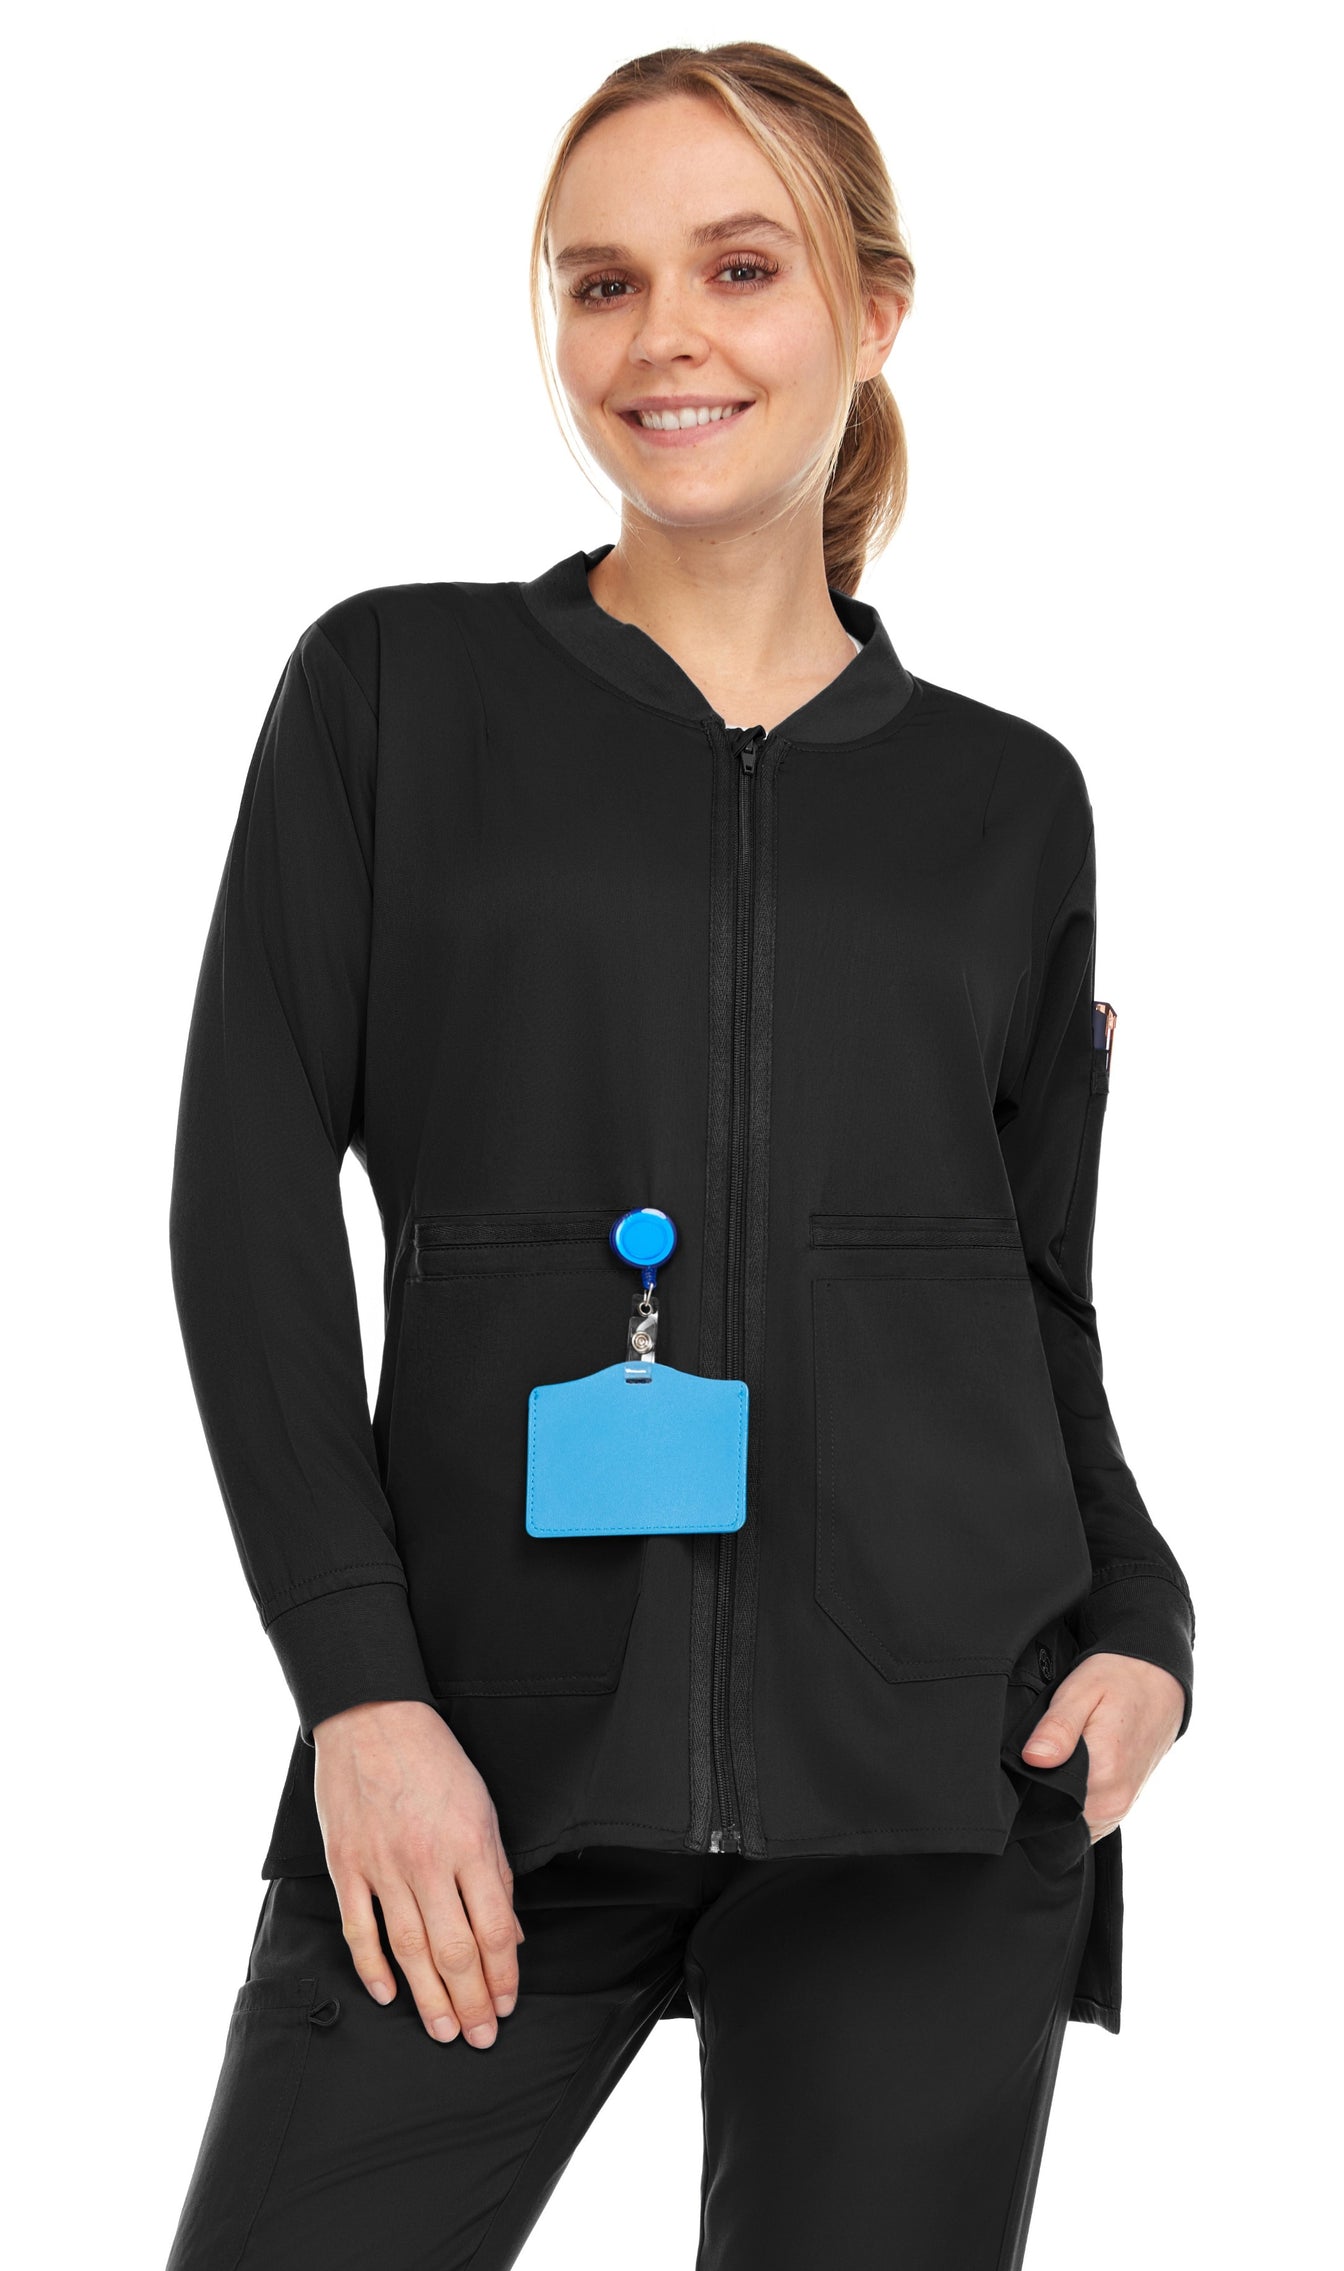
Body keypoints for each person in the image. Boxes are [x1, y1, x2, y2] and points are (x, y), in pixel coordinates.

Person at [163, 40, 1195, 2271]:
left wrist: (1143, 1612)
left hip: (938, 1772)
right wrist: (360, 1692)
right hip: (487, 1754)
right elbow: (241, 1212)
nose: (665, 340)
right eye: (601, 282)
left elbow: (1029, 1290)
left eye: (741, 269)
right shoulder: (391, 696)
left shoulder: (1007, 801)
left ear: (873, 310)